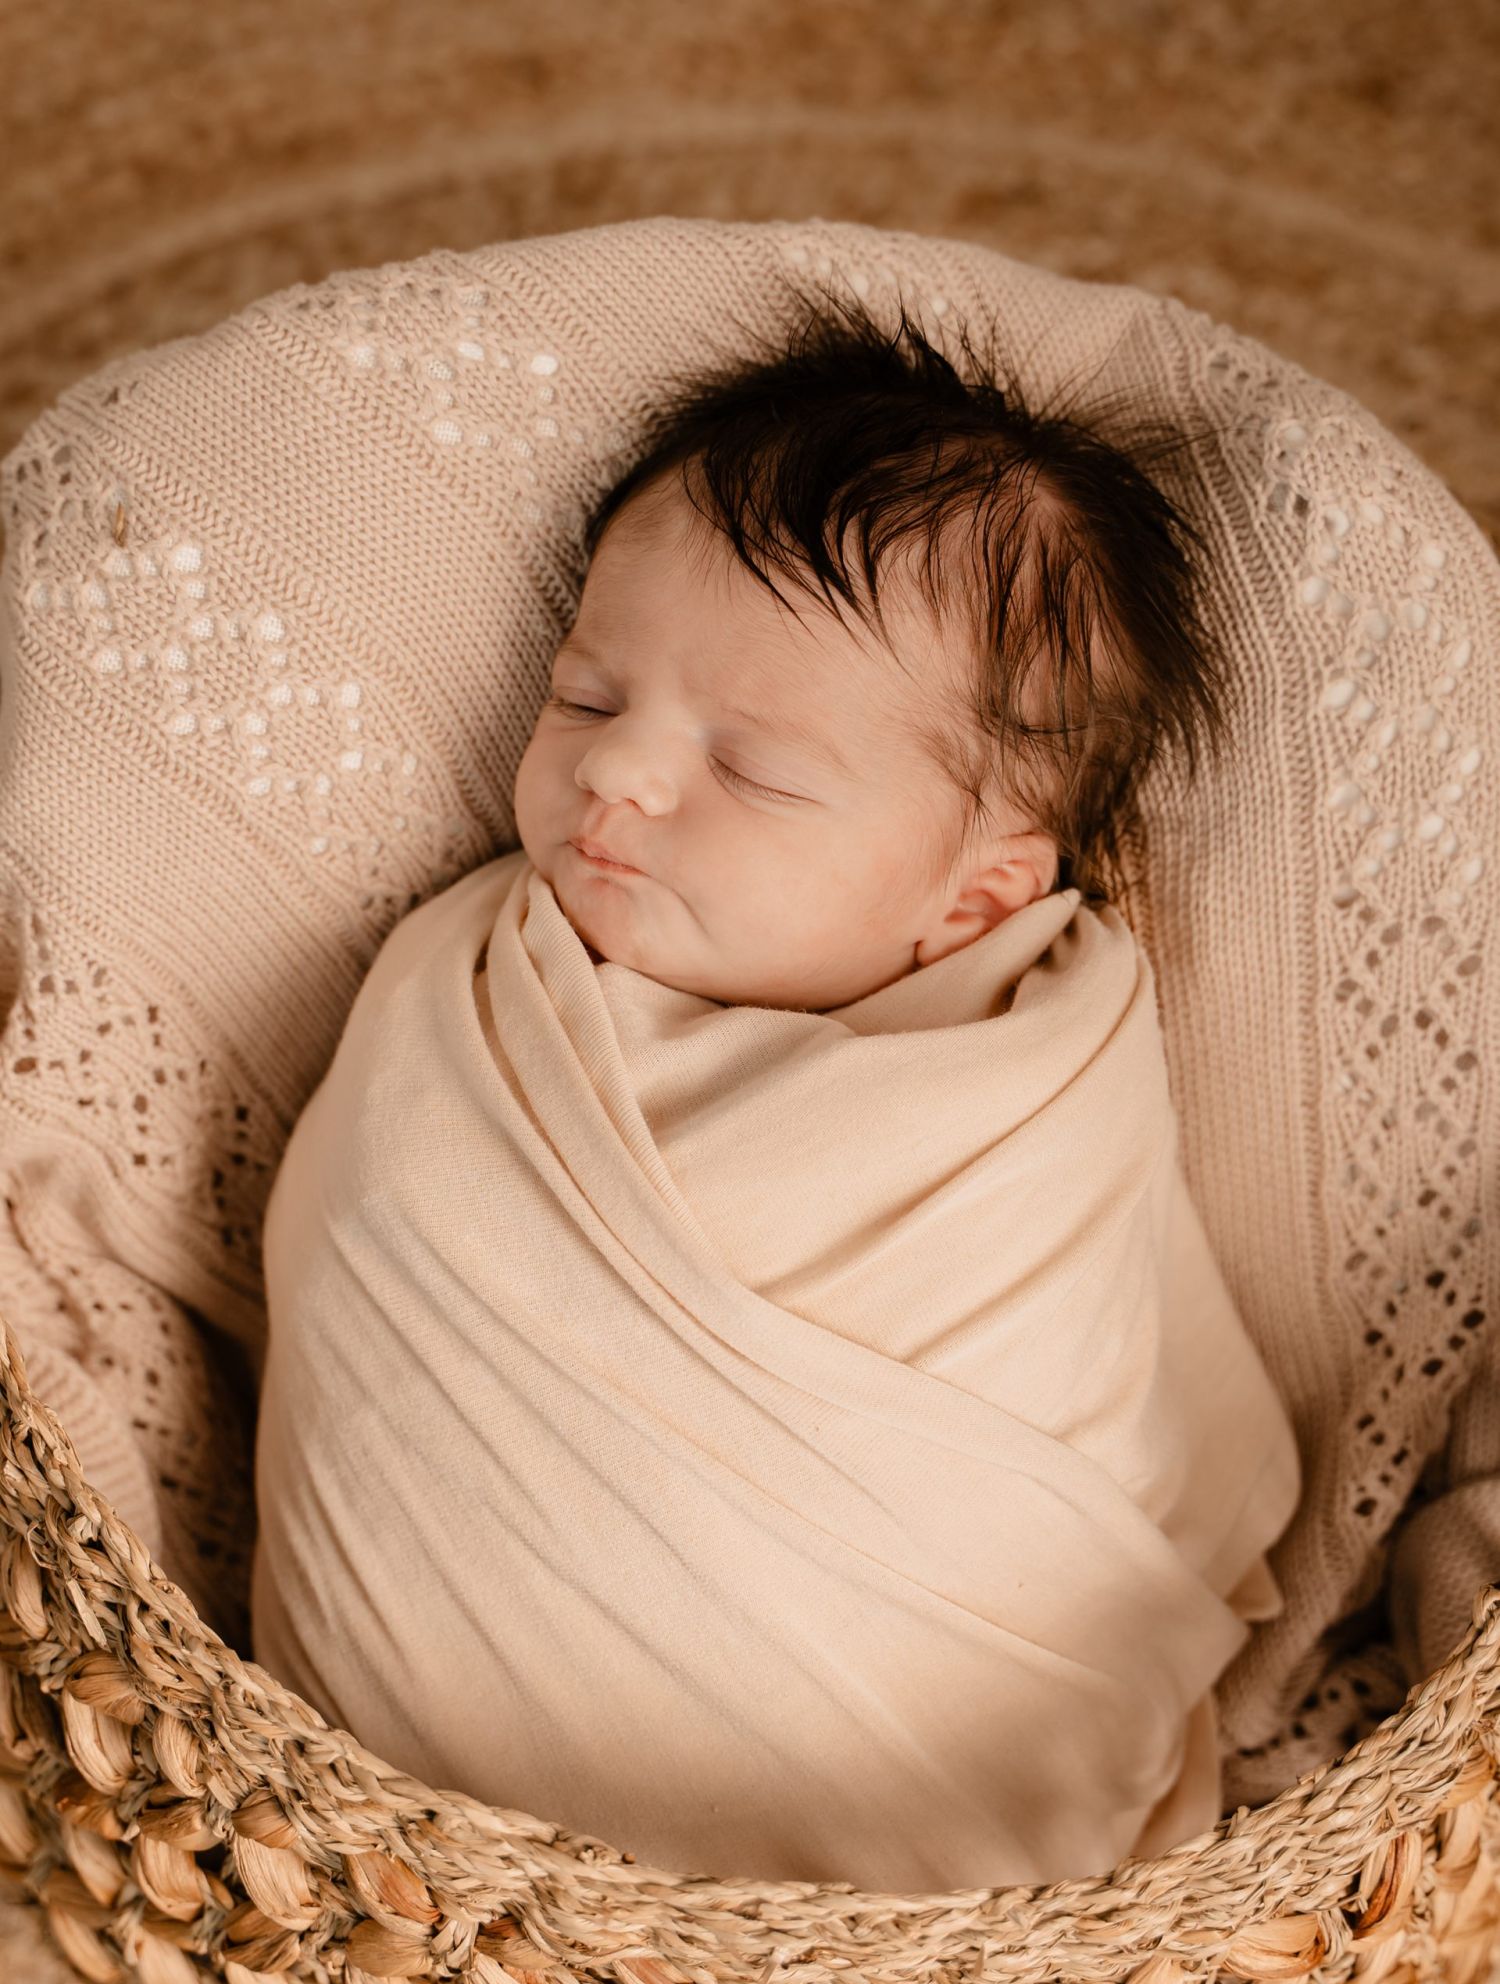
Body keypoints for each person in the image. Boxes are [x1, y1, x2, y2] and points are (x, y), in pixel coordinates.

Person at [249, 287, 1302, 1892]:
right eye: (587, 695)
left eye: (755, 769)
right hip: (393, 1844)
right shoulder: (466, 998)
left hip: (906, 1832)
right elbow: (371, 1250)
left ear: (970, 899)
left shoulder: (1034, 1094)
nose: (614, 771)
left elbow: (1108, 1412)